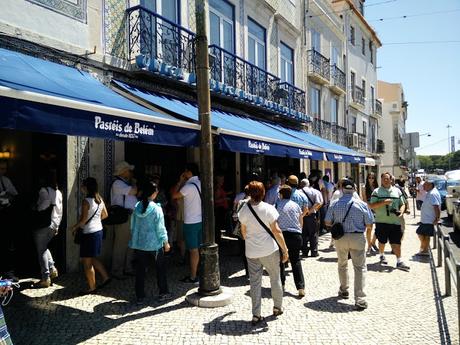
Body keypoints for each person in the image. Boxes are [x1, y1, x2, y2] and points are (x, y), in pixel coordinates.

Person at [238, 181, 289, 325]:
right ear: (263, 193)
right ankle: (277, 307)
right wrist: (285, 250)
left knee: (254, 283)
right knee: (275, 278)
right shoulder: (268, 208)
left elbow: (244, 232)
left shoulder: (243, 210)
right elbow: (277, 231)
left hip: (252, 251)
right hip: (269, 250)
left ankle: (256, 314)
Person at [325, 179, 374, 310]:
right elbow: (370, 224)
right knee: (360, 267)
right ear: (354, 190)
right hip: (357, 236)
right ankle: (360, 298)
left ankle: (343, 289)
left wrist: (338, 222)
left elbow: (327, 222)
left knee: (342, 264)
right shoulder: (362, 205)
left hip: (340, 238)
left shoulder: (334, 203)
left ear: (342, 190)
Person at [130, 181, 171, 304]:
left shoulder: (137, 206)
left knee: (140, 271)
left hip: (140, 244)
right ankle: (163, 292)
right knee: (160, 269)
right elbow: (161, 228)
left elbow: (133, 225)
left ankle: (140, 297)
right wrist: (166, 242)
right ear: (153, 193)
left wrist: (134, 239)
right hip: (155, 245)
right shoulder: (156, 209)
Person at [71, 177, 110, 294]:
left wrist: (74, 227)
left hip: (89, 234)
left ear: (86, 187)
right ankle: (106, 278)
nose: (82, 188)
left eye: (83, 186)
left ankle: (92, 288)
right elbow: (105, 215)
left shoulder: (86, 201)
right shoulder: (100, 200)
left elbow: (83, 220)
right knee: (92, 258)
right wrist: (95, 221)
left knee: (87, 262)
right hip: (98, 231)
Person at [369, 172, 410, 271]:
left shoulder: (397, 191)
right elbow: (371, 206)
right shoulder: (376, 192)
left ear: (391, 179)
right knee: (382, 241)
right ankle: (382, 255)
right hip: (381, 221)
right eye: (384, 179)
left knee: (397, 242)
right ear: (381, 180)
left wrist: (401, 210)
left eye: (388, 178)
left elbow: (403, 203)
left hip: (395, 221)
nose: (386, 180)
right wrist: (383, 202)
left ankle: (399, 261)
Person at [172, 163, 202, 284]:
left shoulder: (188, 186)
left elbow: (174, 195)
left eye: (185, 172)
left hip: (191, 221)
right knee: (199, 249)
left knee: (193, 250)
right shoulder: (201, 183)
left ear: (189, 172)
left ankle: (193, 276)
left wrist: (179, 182)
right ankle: (200, 272)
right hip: (200, 220)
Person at [32, 171, 63, 288]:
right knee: (44, 248)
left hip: (43, 224)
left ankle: (45, 278)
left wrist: (37, 208)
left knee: (41, 251)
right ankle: (52, 268)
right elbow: (60, 211)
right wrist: (57, 226)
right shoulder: (58, 192)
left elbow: (44, 205)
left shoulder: (43, 190)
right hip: (54, 224)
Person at [276, 185, 305, 298]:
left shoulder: (277, 205)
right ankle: (300, 287)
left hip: (282, 235)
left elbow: (274, 221)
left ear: (281, 194)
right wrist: (299, 232)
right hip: (296, 235)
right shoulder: (296, 205)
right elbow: (300, 220)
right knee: (296, 261)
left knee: (281, 260)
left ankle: (282, 285)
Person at [110, 161, 138, 279]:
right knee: (120, 245)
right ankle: (117, 270)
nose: (130, 172)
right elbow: (134, 191)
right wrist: (135, 184)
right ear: (123, 172)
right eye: (128, 170)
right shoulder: (118, 183)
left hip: (130, 216)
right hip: (123, 217)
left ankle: (128, 267)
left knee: (130, 244)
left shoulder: (125, 183)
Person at [0, 160, 18, 282]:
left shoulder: (5, 180)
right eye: (1, 168)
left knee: (7, 245)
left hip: (4, 216)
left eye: (4, 169)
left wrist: (7, 197)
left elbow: (15, 195)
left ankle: (8, 274)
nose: (2, 171)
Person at [416, 179, 441, 256]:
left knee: (423, 235)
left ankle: (425, 250)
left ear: (430, 185)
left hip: (429, 219)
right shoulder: (430, 192)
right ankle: (424, 248)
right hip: (426, 219)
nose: (423, 186)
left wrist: (437, 218)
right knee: (422, 234)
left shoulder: (432, 194)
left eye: (425, 184)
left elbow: (436, 206)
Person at [299, 178, 323, 257]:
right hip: (311, 215)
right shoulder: (314, 191)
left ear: (301, 184)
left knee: (303, 234)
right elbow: (318, 202)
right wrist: (310, 211)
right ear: (308, 184)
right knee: (313, 233)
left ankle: (304, 251)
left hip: (301, 215)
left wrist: (304, 212)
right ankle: (314, 251)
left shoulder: (298, 192)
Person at [362, 172, 379, 254]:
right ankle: (369, 246)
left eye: (373, 178)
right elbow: (364, 200)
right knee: (369, 228)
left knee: (378, 228)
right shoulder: (364, 187)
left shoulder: (377, 187)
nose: (371, 179)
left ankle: (373, 242)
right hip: (369, 208)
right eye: (370, 177)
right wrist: (371, 208)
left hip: (377, 208)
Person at [214, 174, 230, 243]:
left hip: (222, 210)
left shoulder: (220, 188)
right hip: (220, 210)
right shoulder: (217, 189)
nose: (223, 181)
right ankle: (221, 240)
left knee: (222, 226)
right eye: (222, 180)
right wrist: (225, 199)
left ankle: (222, 239)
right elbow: (215, 201)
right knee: (221, 226)